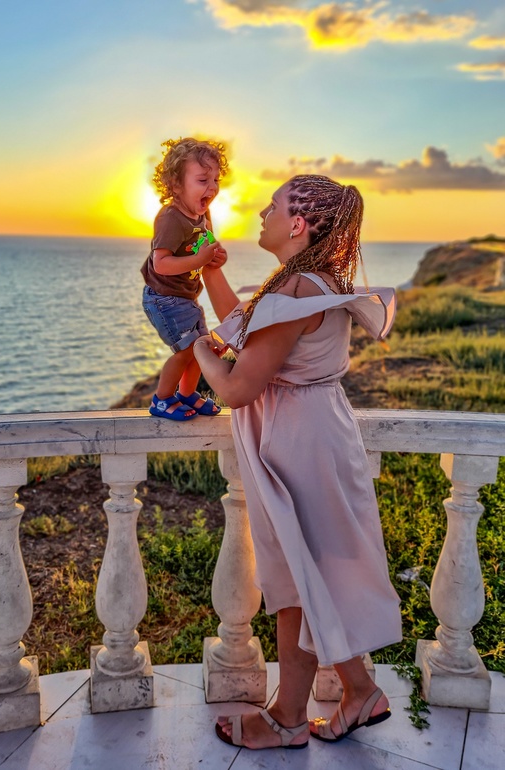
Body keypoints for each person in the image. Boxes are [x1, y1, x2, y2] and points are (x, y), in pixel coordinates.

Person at [193, 174, 402, 750]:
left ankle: (288, 718)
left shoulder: (299, 287)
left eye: (273, 205)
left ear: (298, 224)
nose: (262, 212)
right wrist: (210, 272)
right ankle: (360, 692)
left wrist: (199, 350)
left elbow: (237, 387)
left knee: (296, 579)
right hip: (310, 435)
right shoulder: (310, 282)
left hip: (299, 444)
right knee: (311, 572)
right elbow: (253, 335)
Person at [141, 137, 229, 421]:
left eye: (215, 180)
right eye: (203, 180)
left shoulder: (202, 214)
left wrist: (216, 257)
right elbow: (161, 264)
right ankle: (162, 400)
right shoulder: (171, 218)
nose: (212, 187)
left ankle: (187, 393)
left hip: (186, 296)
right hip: (164, 298)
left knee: (201, 347)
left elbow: (206, 247)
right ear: (176, 185)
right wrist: (199, 260)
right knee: (185, 350)